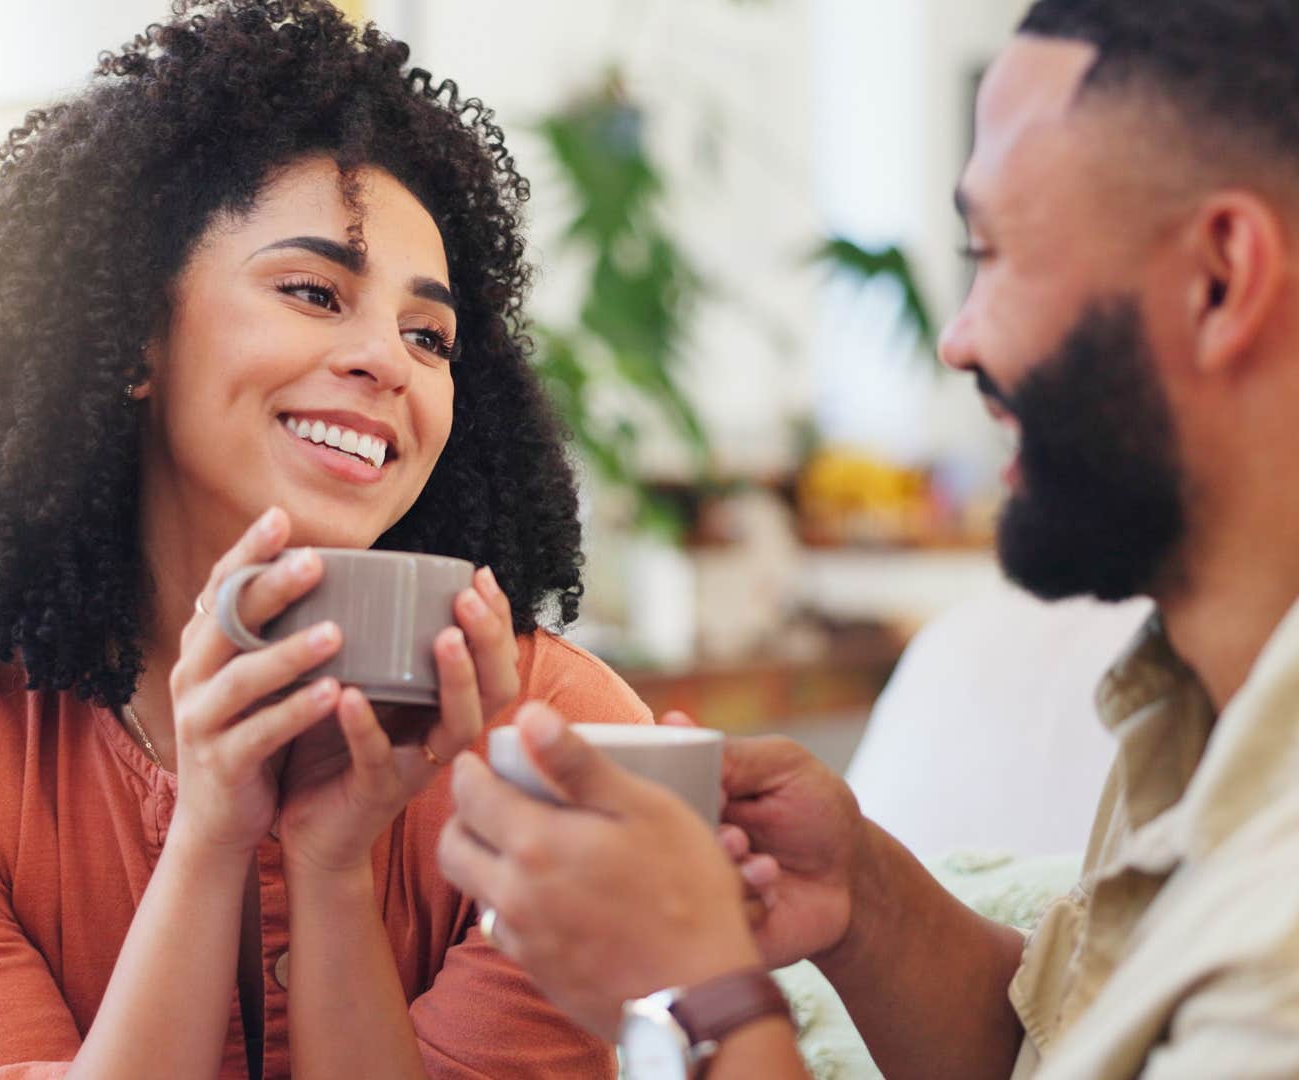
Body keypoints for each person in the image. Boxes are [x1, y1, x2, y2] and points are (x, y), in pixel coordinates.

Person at [438, 1, 1299, 1077]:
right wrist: (861, 898)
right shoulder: (1198, 708)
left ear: (1220, 278)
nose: (957, 337)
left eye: (997, 255)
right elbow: (1060, 1051)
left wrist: (714, 987)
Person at [0, 2, 650, 1077]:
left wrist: (331, 865)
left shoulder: (562, 734)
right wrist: (211, 833)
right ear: (132, 335)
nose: (389, 362)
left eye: (429, 335)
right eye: (314, 291)